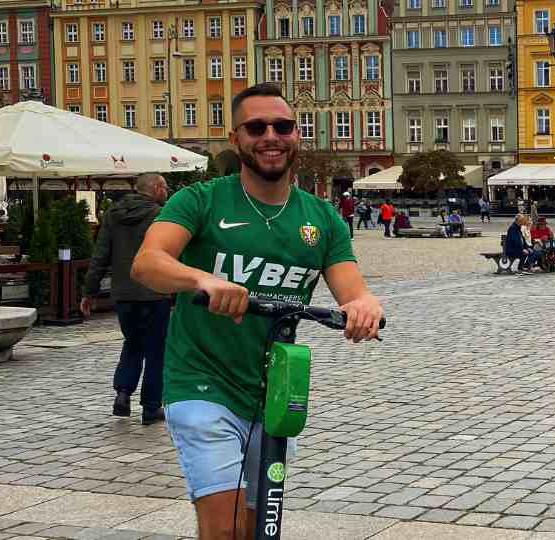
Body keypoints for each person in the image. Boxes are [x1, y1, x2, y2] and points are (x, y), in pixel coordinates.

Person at [130, 83, 382, 539]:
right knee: (224, 527)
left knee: (256, 526)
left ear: (297, 135)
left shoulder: (321, 218)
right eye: (256, 127)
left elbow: (353, 290)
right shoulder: (201, 200)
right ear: (236, 138)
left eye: (282, 126)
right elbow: (148, 262)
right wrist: (200, 279)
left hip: (273, 394)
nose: (271, 135)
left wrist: (363, 307)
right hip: (201, 381)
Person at [80, 174, 172, 425]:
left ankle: (122, 393)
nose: (167, 192)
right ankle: (151, 407)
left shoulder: (113, 214)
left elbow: (100, 254)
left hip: (123, 294)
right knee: (156, 351)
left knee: (132, 343)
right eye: (165, 187)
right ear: (155, 189)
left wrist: (89, 291)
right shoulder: (161, 215)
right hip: (155, 293)